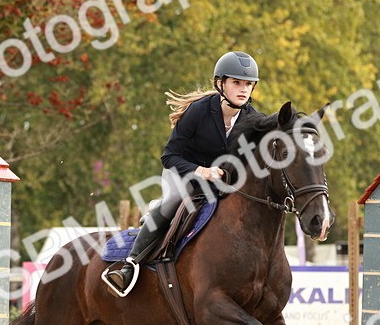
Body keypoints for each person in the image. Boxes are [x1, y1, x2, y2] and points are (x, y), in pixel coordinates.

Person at [102, 51, 262, 297]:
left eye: (248, 84)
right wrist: (202, 171)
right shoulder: (199, 111)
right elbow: (169, 156)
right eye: (236, 83)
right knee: (175, 200)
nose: (243, 90)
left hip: (220, 184)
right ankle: (129, 265)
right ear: (220, 84)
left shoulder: (253, 119)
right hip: (183, 174)